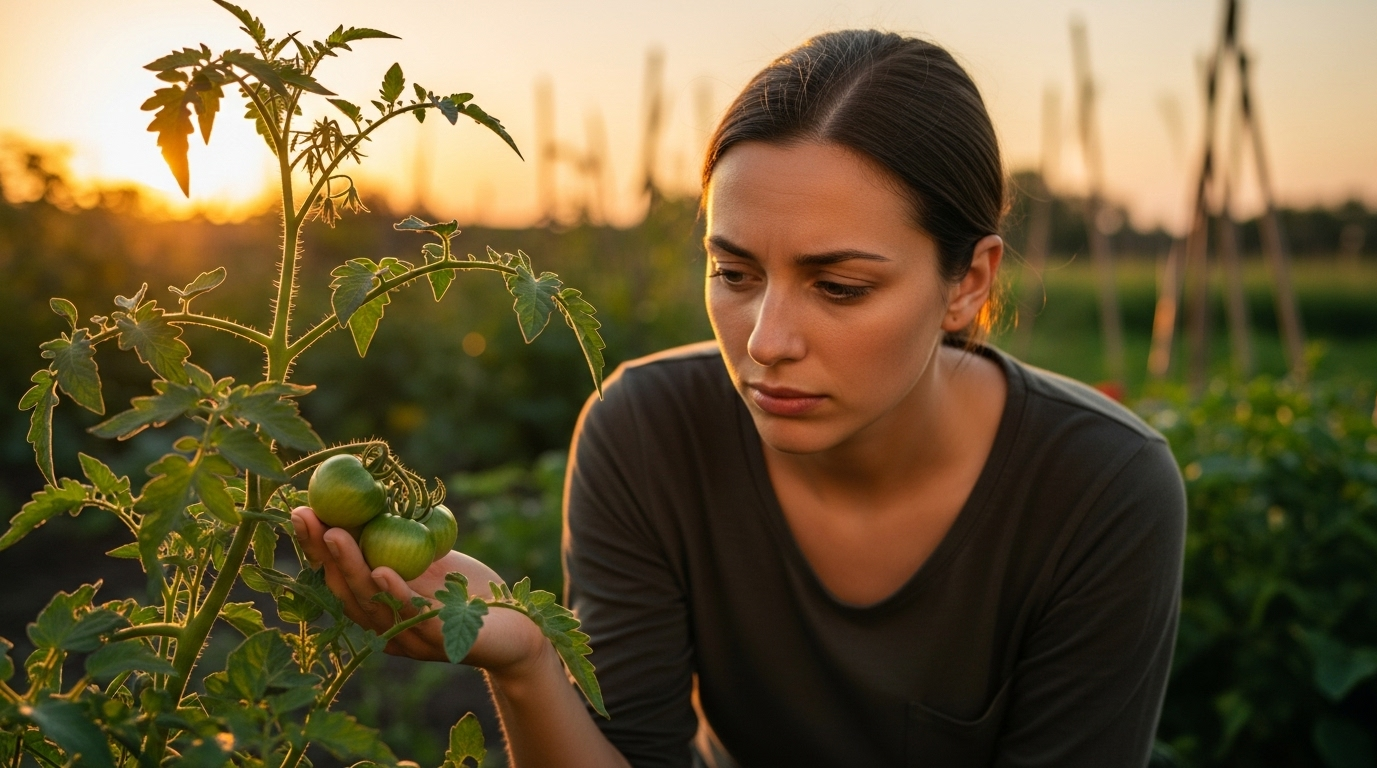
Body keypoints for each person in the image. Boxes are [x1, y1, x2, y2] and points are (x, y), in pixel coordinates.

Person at [292, 29, 1186, 768]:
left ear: (968, 282)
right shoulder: (649, 433)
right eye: (734, 273)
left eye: (839, 287)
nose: (765, 342)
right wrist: (527, 664)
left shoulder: (1100, 487)